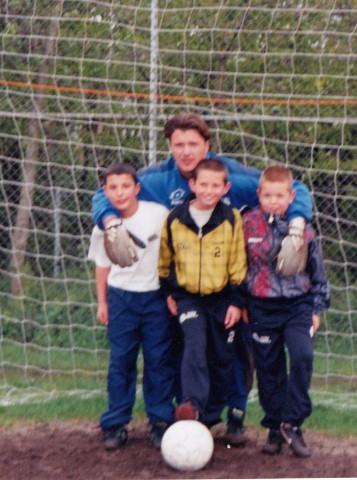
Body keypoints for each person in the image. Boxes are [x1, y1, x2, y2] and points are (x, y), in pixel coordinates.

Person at [91, 111, 314, 446]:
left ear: (207, 145)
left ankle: (235, 415)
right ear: (170, 147)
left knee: (234, 351)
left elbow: (293, 188)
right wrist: (109, 220)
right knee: (176, 352)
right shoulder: (155, 179)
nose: (186, 151)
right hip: (179, 291)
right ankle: (178, 417)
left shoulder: (229, 176)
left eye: (193, 144)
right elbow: (103, 193)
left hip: (228, 288)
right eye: (179, 144)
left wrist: (296, 226)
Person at [241, 165, 330, 458]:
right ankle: (274, 427)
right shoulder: (246, 225)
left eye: (280, 196)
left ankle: (292, 423)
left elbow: (317, 273)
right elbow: (238, 268)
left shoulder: (302, 229)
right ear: (259, 195)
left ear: (291, 197)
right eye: (268, 195)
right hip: (261, 307)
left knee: (303, 356)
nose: (273, 201)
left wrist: (316, 308)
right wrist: (242, 302)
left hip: (297, 306)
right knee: (269, 369)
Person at [86, 163, 176, 450]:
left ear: (137, 188)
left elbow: (173, 253)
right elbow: (102, 266)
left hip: (155, 298)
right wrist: (102, 302)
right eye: (113, 188)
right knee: (121, 362)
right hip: (121, 298)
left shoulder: (158, 214)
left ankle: (160, 421)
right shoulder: (104, 226)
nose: (120, 192)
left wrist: (172, 292)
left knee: (158, 360)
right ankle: (116, 423)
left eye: (125, 186)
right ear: (105, 192)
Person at [158, 158, 247, 429]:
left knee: (221, 357)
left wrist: (237, 302)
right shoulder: (175, 218)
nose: (209, 191)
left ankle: (210, 417)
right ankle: (192, 405)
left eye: (215, 186)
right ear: (192, 184)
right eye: (203, 185)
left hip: (222, 298)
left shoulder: (231, 218)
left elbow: (238, 262)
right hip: (188, 298)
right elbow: (165, 260)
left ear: (225, 188)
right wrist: (169, 293)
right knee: (194, 343)